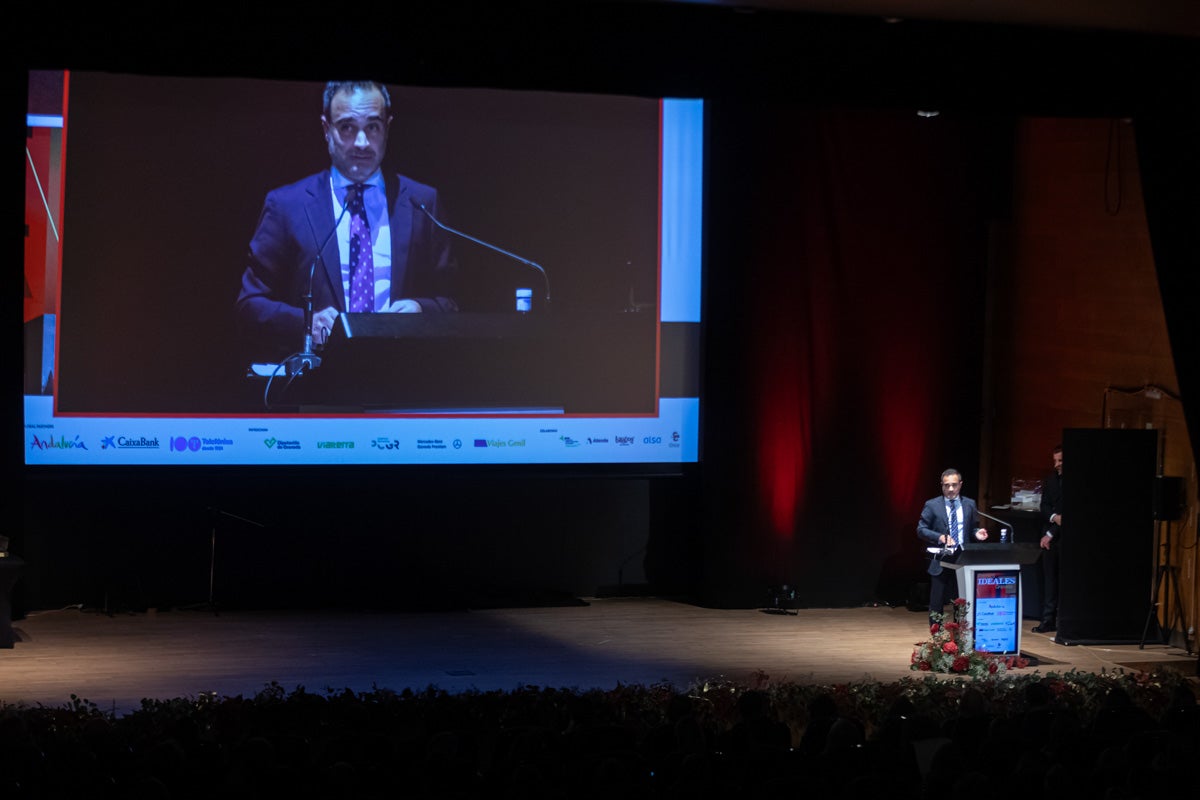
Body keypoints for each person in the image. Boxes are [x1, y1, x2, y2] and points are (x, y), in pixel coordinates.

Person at [236, 80, 457, 361]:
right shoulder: (287, 205)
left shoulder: (422, 203)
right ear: (326, 130)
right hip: (318, 385)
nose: (362, 143)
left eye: (373, 127)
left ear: (387, 128)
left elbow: (452, 302)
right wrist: (306, 324)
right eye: (347, 127)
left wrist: (421, 310)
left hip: (403, 377)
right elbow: (249, 306)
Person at [917, 468, 989, 625]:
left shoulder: (969, 504)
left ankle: (960, 637)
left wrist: (977, 533)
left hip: (963, 560)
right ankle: (937, 638)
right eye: (946, 485)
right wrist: (940, 537)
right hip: (941, 559)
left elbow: (973, 528)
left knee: (961, 601)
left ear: (960, 485)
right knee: (937, 603)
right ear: (941, 485)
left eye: (954, 485)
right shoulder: (932, 505)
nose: (950, 489)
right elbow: (921, 530)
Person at [1033, 444, 1063, 633]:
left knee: (1064, 581)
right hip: (1050, 537)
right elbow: (1044, 506)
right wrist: (1053, 518)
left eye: (1060, 461)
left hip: (1062, 537)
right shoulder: (1051, 480)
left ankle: (1063, 621)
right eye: (1055, 461)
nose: (1057, 465)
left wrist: (1051, 532)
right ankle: (1048, 619)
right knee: (1049, 581)